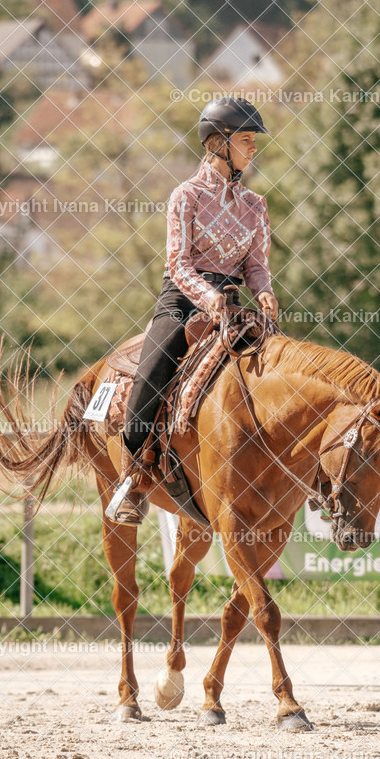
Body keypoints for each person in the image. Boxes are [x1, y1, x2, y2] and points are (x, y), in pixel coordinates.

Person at [113, 96, 279, 525]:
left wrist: (264, 292)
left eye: (253, 140)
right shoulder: (185, 196)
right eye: (246, 139)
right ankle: (133, 476)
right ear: (217, 143)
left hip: (232, 307)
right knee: (150, 376)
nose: (253, 147)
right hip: (184, 301)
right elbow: (178, 263)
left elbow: (255, 266)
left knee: (281, 373)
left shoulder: (256, 205)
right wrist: (209, 299)